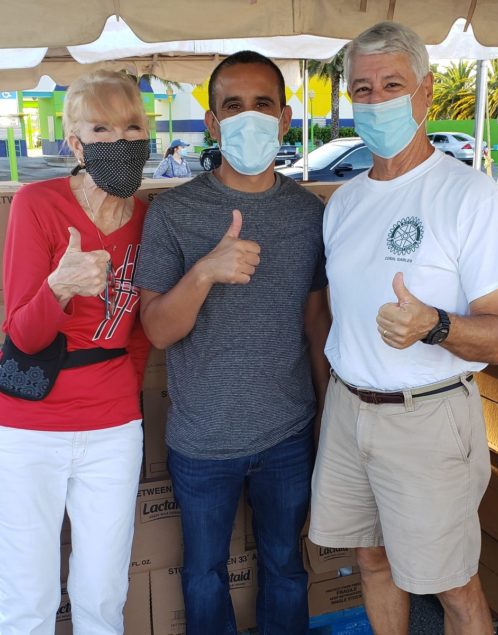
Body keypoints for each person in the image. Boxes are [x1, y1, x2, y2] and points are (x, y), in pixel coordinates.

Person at [308, 22, 498, 635]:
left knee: (453, 586)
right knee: (370, 560)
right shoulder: (343, 204)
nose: (377, 101)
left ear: (426, 93)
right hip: (349, 412)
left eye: (392, 85)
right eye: (363, 89)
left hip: (426, 419)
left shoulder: (469, 196)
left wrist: (433, 325)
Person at [135, 50, 331, 634]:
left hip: (288, 433)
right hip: (202, 440)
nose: (249, 117)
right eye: (233, 106)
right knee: (203, 575)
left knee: (285, 569)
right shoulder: (174, 212)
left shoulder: (307, 214)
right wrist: (204, 272)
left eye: (262, 105)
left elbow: (315, 320)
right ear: (214, 123)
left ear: (286, 118)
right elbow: (157, 330)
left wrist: (325, 414)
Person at [0, 70, 151, 634]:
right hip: (28, 428)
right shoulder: (37, 204)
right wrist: (60, 287)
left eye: (133, 126)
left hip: (113, 428)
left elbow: (139, 332)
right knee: (26, 592)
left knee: (103, 589)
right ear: (76, 143)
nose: (120, 139)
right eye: (101, 128)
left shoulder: (145, 217)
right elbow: (22, 334)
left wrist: (118, 391)